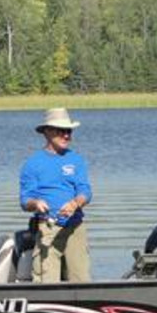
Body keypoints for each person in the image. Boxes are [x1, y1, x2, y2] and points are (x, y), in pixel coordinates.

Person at [19, 108, 92, 283]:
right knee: (47, 283)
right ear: (47, 132)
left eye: (69, 131)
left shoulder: (76, 160)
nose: (67, 136)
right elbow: (24, 201)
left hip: (75, 227)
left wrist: (75, 203)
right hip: (48, 228)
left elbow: (86, 191)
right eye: (62, 131)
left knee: (81, 281)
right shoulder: (32, 164)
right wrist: (35, 203)